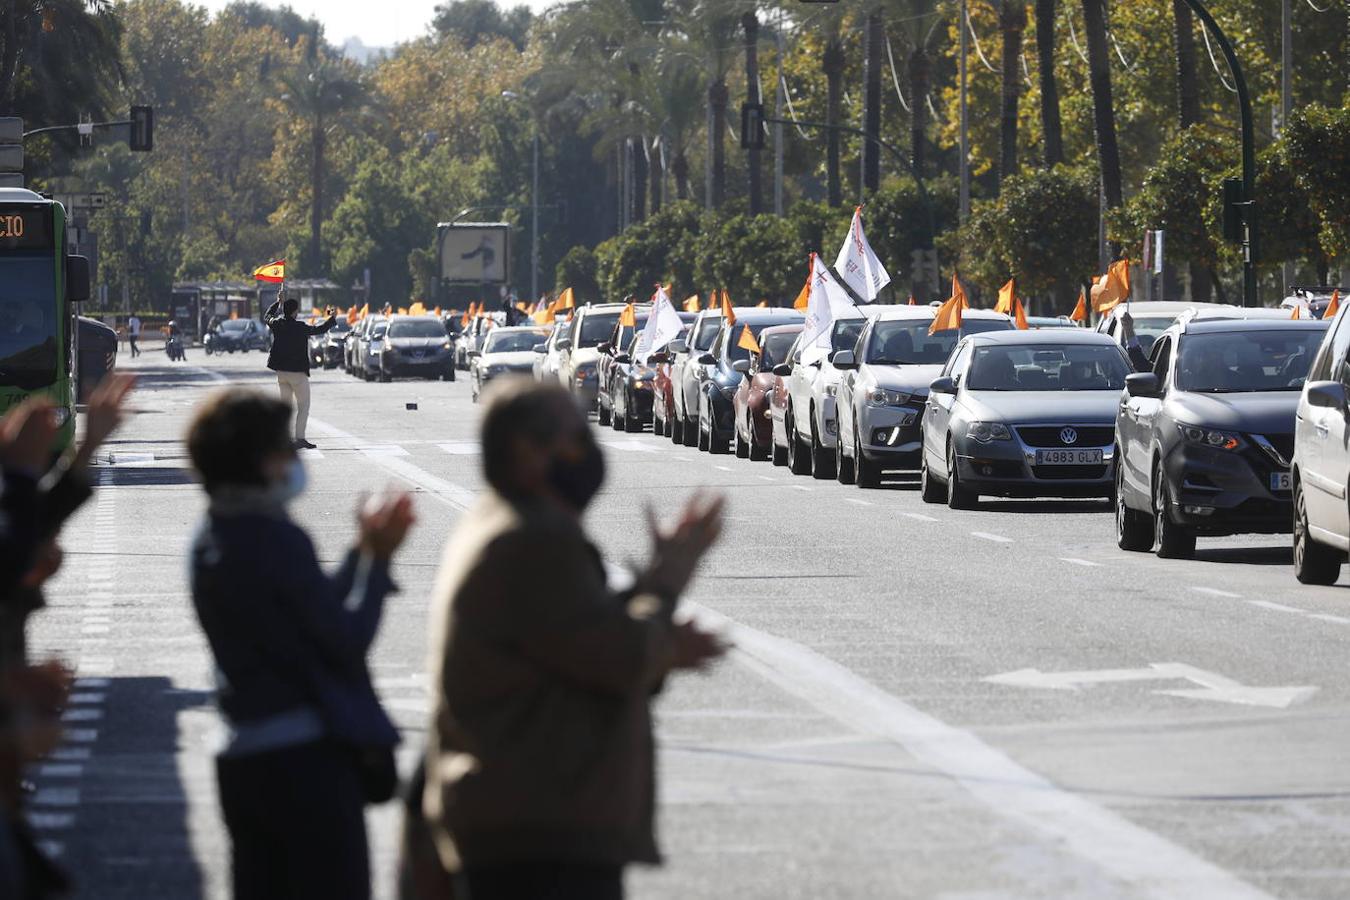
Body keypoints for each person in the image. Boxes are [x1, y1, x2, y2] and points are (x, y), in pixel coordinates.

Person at [423, 379, 726, 900]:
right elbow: (619, 657)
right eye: (575, 433)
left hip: (520, 821)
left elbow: (571, 638)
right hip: (539, 833)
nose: (588, 448)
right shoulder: (533, 540)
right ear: (526, 451)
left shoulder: (501, 521)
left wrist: (650, 590)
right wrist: (666, 591)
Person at [186, 389, 414, 900]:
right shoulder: (275, 538)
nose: (293, 458)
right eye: (283, 448)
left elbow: (305, 612)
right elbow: (343, 640)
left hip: (243, 754)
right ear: (263, 462)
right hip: (305, 763)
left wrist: (359, 553)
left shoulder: (212, 534)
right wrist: (377, 566)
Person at [263, 291, 335, 450]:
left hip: (281, 373)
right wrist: (331, 318)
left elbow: (267, 316)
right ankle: (300, 439)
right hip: (297, 374)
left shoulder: (277, 324)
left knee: (285, 407)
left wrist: (277, 303)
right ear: (295, 312)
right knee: (303, 406)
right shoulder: (300, 327)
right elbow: (319, 329)